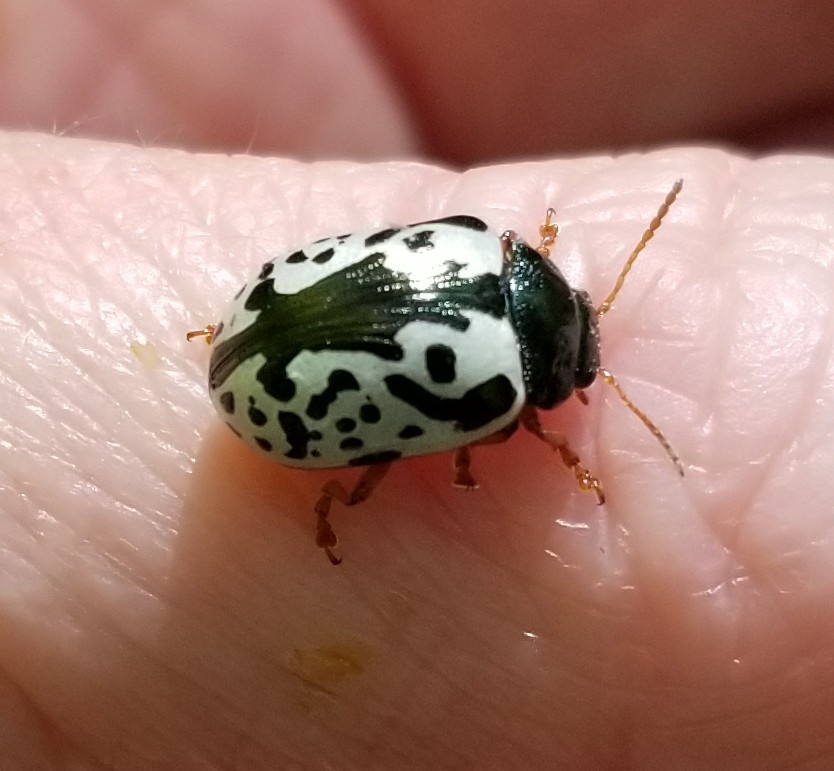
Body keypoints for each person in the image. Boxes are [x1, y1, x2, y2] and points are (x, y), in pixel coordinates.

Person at [0, 2, 833, 768]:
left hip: (264, 324)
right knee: (395, 457)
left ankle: (324, 489)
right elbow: (452, 443)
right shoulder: (495, 396)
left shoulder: (485, 250)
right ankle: (332, 501)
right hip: (268, 374)